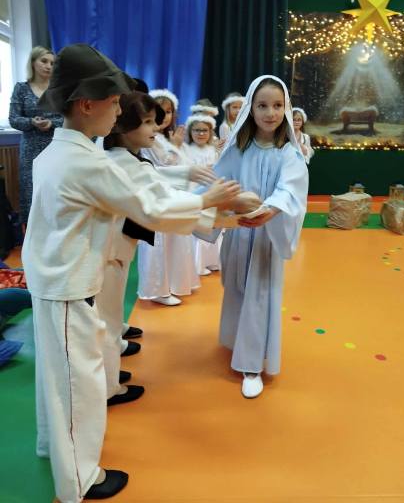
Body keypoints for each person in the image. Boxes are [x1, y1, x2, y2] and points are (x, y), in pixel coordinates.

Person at [21, 44, 240, 503]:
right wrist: (209, 201)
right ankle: (79, 479)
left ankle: (50, 446)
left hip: (54, 280)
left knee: (57, 379)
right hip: (68, 284)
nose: (120, 111)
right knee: (79, 385)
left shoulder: (60, 153)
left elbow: (143, 190)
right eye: (114, 102)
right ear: (86, 104)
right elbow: (148, 206)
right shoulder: (83, 161)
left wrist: (210, 211)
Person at [98, 91, 218, 404]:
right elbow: (157, 202)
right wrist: (210, 202)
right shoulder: (119, 162)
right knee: (106, 321)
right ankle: (107, 387)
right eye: (148, 121)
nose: (155, 127)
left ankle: (109, 375)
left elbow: (154, 177)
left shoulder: (126, 157)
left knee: (110, 318)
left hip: (115, 250)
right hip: (106, 253)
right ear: (122, 125)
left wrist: (191, 179)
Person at [209, 76, 308, 399]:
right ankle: (236, 342)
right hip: (240, 235)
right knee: (237, 289)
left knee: (259, 296)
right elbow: (217, 183)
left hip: (266, 239)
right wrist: (211, 204)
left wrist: (270, 210)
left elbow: (291, 190)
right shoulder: (238, 150)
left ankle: (252, 364)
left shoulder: (288, 153)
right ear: (250, 109)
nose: (270, 113)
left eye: (278, 105)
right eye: (262, 105)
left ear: (286, 108)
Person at [138, 89, 201, 305]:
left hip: (173, 195)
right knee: (158, 243)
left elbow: (183, 162)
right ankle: (157, 289)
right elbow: (162, 165)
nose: (163, 116)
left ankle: (173, 283)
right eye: (158, 112)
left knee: (175, 241)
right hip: (158, 196)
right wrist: (175, 146)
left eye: (167, 112)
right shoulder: (151, 138)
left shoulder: (167, 137)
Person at [8, 46, 62, 225]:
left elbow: (68, 118)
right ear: (33, 62)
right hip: (30, 150)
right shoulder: (21, 88)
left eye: (52, 63)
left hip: (56, 147)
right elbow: (14, 119)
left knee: (55, 191)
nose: (48, 66)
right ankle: (31, 235)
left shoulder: (58, 90)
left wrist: (51, 123)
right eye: (44, 61)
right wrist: (32, 122)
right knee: (30, 193)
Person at [186, 113, 222, 275]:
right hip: (195, 193)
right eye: (197, 130)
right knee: (198, 229)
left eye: (204, 130)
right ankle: (198, 264)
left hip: (212, 192)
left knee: (213, 227)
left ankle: (212, 261)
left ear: (210, 132)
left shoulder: (213, 150)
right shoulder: (186, 150)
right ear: (190, 132)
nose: (201, 133)